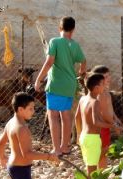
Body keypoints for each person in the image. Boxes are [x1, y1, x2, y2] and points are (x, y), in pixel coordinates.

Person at [34, 16, 86, 156]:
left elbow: (49, 61)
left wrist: (39, 79)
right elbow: (83, 60)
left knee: (53, 116)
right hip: (70, 85)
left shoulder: (54, 42)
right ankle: (65, 146)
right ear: (73, 30)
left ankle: (56, 149)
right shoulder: (75, 45)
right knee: (66, 115)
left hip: (56, 84)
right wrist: (81, 72)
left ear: (59, 28)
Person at [72, 73, 121, 179]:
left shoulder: (83, 99)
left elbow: (77, 117)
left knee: (92, 163)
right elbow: (96, 122)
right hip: (92, 138)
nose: (104, 87)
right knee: (92, 171)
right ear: (96, 87)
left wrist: (78, 134)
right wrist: (113, 126)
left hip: (84, 136)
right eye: (103, 84)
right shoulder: (95, 102)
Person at [91, 65, 122, 169]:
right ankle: (96, 174)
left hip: (106, 126)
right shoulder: (101, 94)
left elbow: (110, 107)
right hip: (102, 127)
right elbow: (104, 113)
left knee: (104, 151)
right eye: (106, 76)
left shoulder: (106, 91)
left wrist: (116, 117)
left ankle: (99, 174)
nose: (109, 78)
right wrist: (114, 125)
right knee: (102, 153)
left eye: (109, 76)